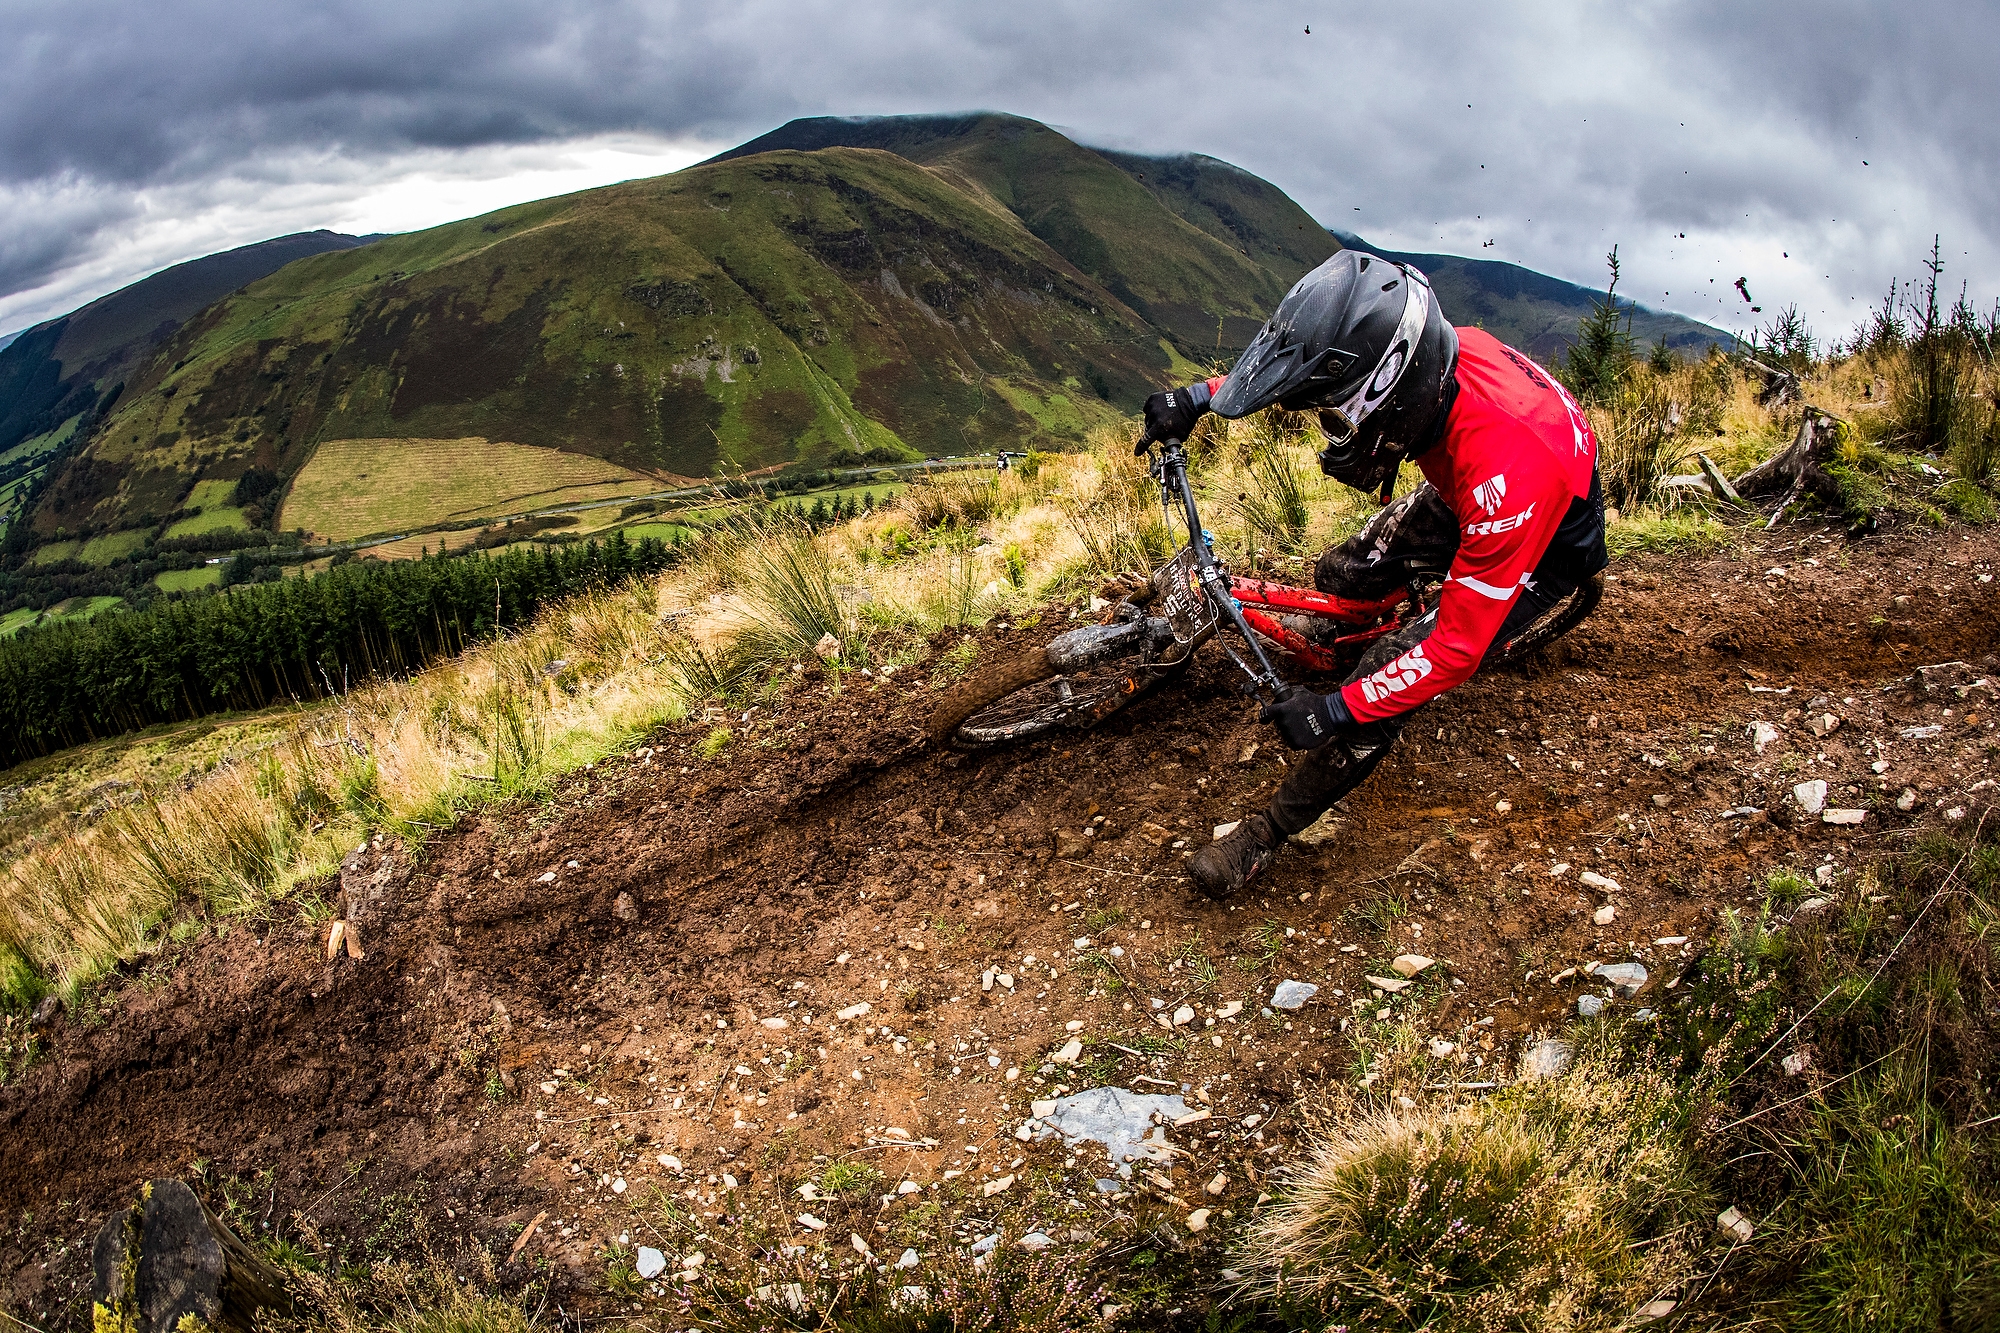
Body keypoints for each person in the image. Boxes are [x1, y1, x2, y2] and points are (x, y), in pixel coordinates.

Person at [1136, 249, 1608, 900]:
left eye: (1342, 422)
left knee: (1385, 674)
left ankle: (1262, 838)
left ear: (1398, 402)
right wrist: (1201, 398)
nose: (1334, 435)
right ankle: (1353, 641)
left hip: (1542, 535)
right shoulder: (1426, 362)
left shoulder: (1504, 482)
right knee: (1344, 571)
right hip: (1473, 481)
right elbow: (1313, 369)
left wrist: (1334, 709)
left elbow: (1455, 651)